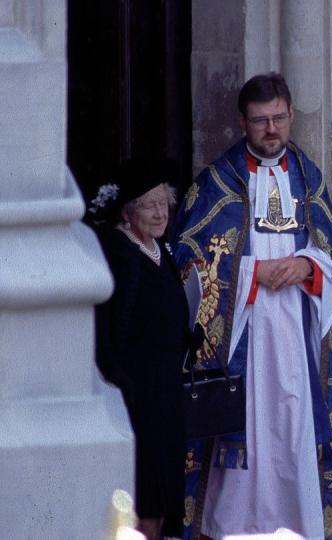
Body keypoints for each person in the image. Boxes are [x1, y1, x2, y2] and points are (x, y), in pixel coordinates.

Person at [169, 72, 332, 539]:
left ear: (290, 115)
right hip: (240, 341)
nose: (272, 130)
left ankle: (302, 526)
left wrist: (310, 268)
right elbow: (187, 261)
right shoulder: (215, 184)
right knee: (244, 439)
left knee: (295, 431)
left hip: (299, 338)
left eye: (280, 119)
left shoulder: (310, 180)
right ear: (242, 121)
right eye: (261, 120)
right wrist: (250, 275)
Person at [90, 157, 191, 540]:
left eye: (163, 203)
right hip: (139, 391)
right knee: (144, 501)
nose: (159, 212)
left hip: (165, 388)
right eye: (149, 205)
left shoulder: (159, 250)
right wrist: (121, 379)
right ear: (128, 211)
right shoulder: (119, 252)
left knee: (165, 498)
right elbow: (110, 326)